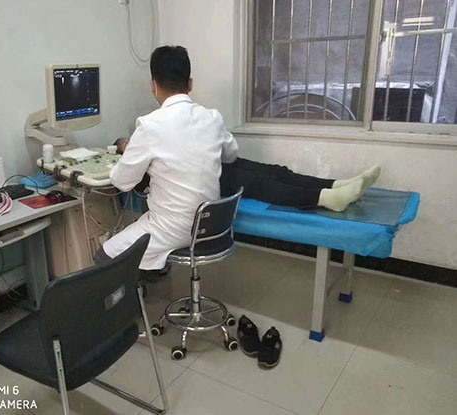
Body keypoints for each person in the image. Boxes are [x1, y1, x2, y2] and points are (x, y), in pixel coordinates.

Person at [95, 45, 238, 272]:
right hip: (212, 223)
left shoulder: (150, 125)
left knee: (104, 256)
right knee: (147, 211)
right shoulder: (212, 117)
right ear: (190, 84)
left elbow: (122, 182)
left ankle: (139, 290)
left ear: (153, 86)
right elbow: (231, 154)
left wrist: (116, 162)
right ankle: (152, 274)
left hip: (174, 229)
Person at [114, 137, 381, 212]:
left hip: (217, 165)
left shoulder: (154, 140)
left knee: (276, 171)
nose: (130, 143)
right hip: (205, 180)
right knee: (261, 183)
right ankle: (327, 199)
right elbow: (128, 181)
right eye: (125, 144)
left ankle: (337, 184)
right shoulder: (138, 161)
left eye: (129, 140)